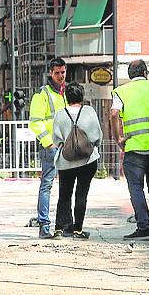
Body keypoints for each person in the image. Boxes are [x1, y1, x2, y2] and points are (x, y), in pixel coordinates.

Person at [110, 60, 149, 240]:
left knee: (136, 188)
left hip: (134, 148)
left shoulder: (121, 91)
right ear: (145, 72)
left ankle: (143, 227)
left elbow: (113, 113)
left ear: (130, 75)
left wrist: (118, 138)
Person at [51, 82, 101, 240]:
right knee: (81, 194)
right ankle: (78, 229)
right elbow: (97, 136)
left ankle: (60, 228)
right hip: (87, 160)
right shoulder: (89, 112)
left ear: (66, 97)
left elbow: (56, 139)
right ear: (82, 96)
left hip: (66, 161)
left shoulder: (60, 114)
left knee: (64, 194)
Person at [28, 57, 67, 239]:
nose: (61, 75)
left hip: (66, 147)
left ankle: (66, 225)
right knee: (47, 185)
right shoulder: (42, 95)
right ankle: (44, 225)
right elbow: (35, 123)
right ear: (50, 73)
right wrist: (48, 143)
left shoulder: (65, 93)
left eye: (63, 72)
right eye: (57, 73)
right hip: (51, 147)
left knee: (66, 186)